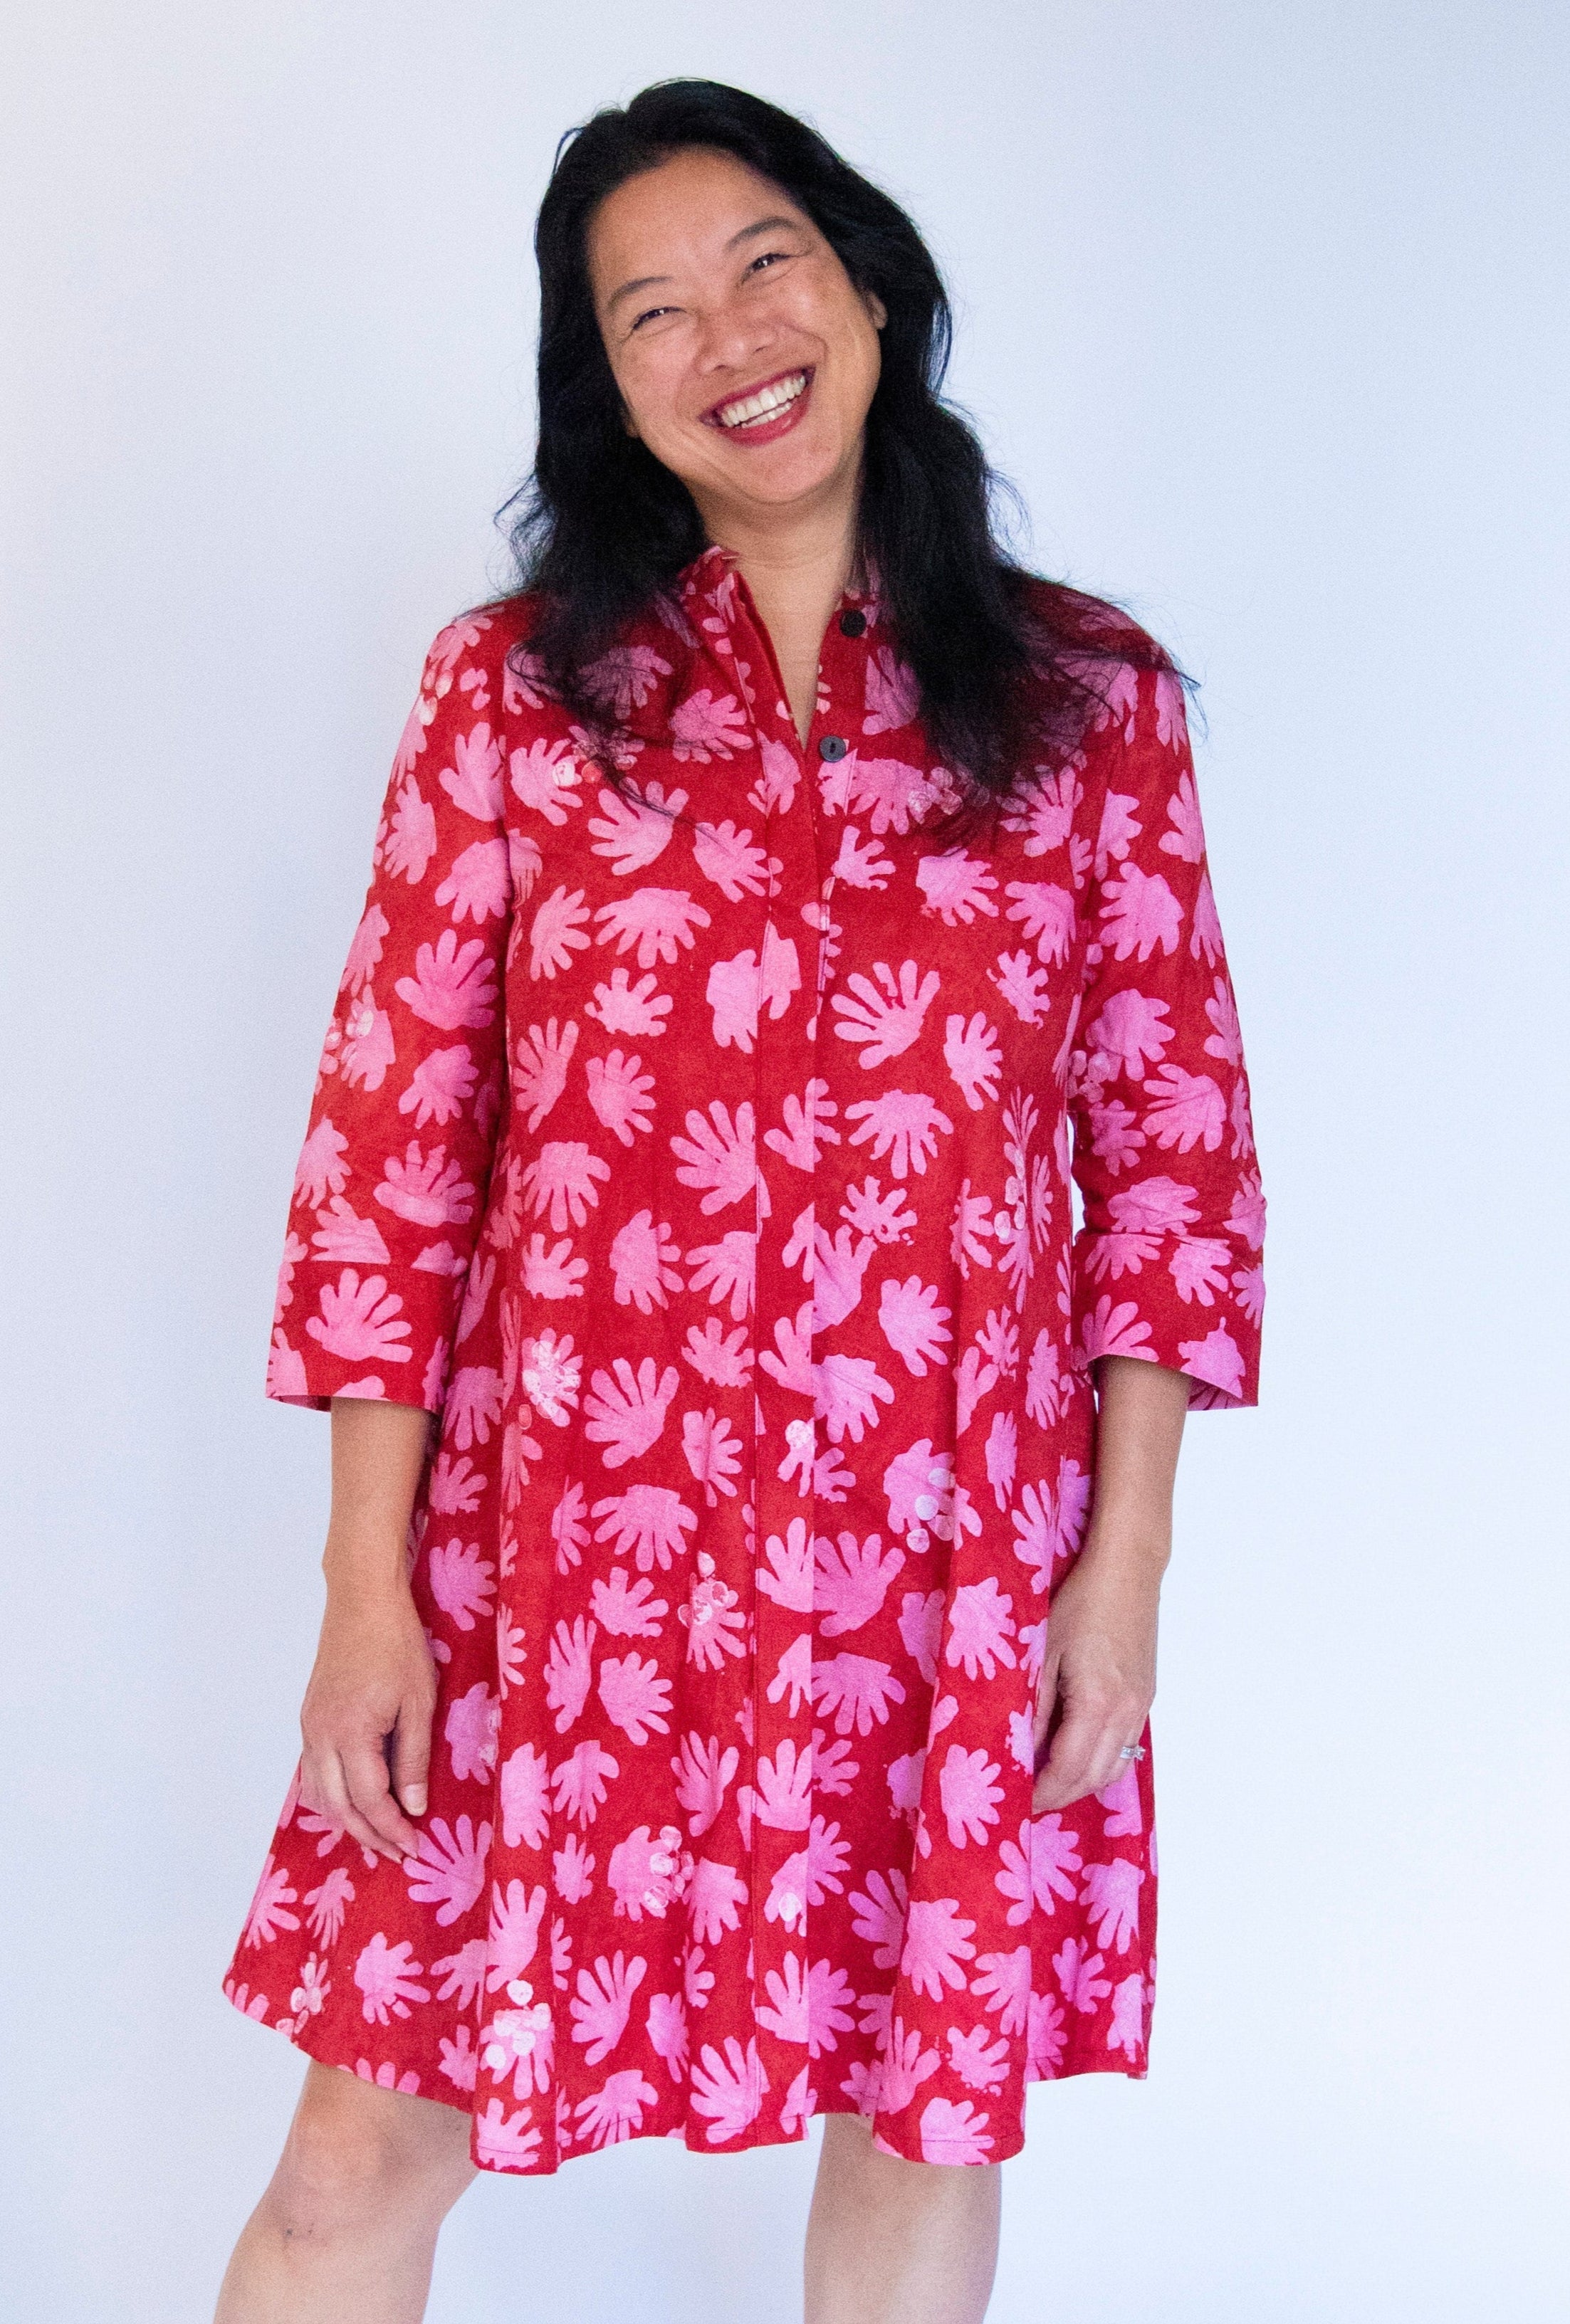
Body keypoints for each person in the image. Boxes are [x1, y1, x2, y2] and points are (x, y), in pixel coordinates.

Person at [214, 78, 1265, 2324]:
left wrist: (1127, 1565)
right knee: (346, 2166)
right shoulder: (516, 703)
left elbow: (1172, 1151)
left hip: (945, 1552)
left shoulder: (1090, 705)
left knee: (916, 2121)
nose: (729, 335)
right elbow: (391, 1158)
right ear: (611, 392)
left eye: (766, 261)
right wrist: (367, 1590)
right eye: (650, 311)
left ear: (869, 285)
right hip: (558, 1564)